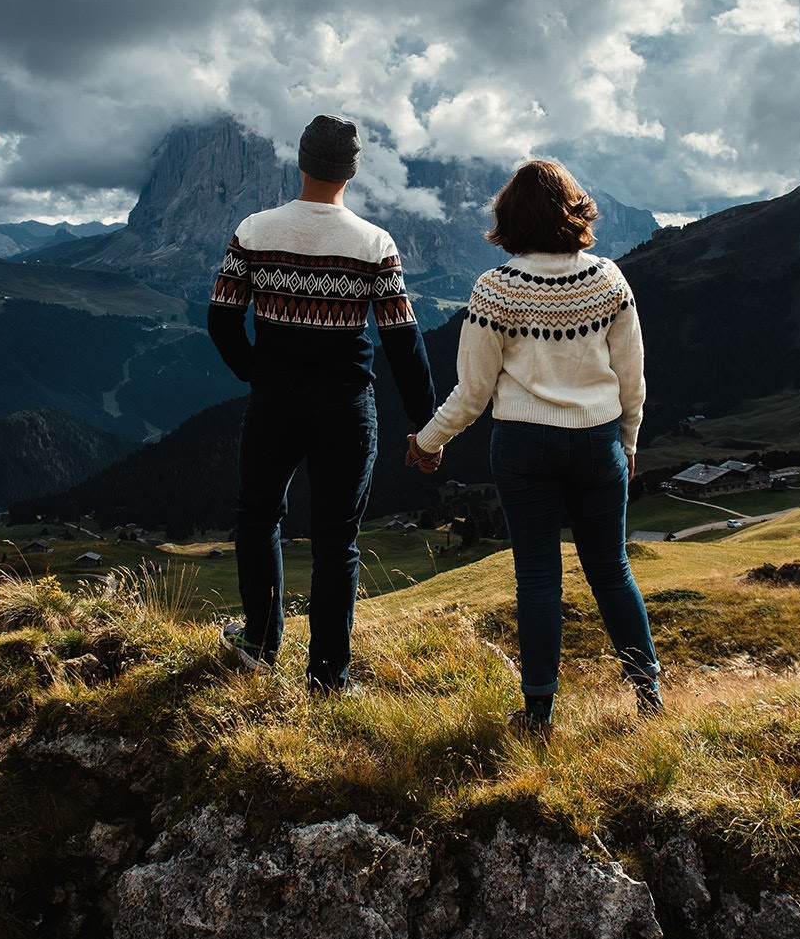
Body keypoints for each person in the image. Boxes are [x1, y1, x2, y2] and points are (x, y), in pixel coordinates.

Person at [406, 159, 660, 734]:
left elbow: (472, 393)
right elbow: (632, 380)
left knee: (539, 580)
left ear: (509, 219)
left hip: (524, 446)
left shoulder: (496, 289)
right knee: (612, 569)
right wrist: (629, 442)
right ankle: (649, 698)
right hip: (597, 442)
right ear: (575, 211)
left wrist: (426, 443)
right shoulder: (609, 281)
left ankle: (539, 712)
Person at [208, 115, 436, 694]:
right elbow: (402, 341)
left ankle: (259, 645)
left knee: (259, 518)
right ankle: (329, 677)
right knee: (338, 539)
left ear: (301, 163)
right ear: (351, 171)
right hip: (347, 408)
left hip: (274, 402)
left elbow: (222, 319)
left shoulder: (255, 230)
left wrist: (258, 372)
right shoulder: (373, 242)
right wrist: (426, 423)